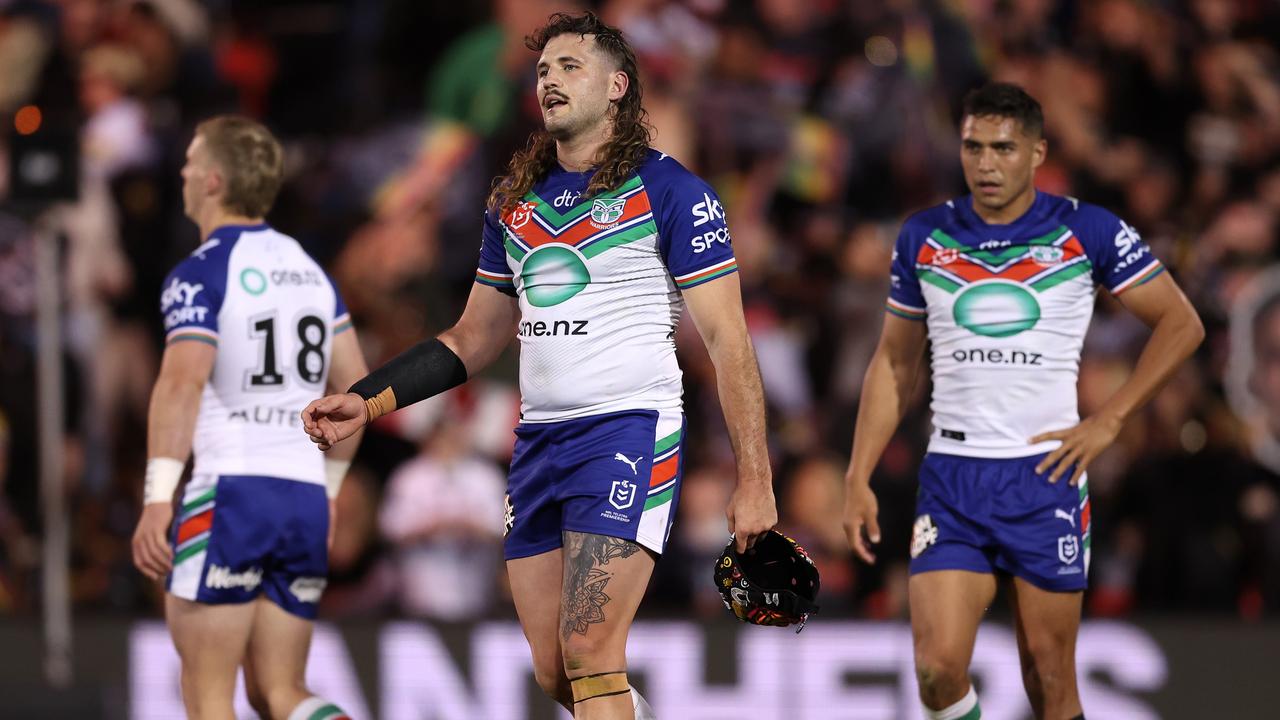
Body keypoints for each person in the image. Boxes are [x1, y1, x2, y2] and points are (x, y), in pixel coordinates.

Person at [302, 12, 777, 720]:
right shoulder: (514, 204)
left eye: (570, 67)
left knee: (590, 655)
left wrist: (755, 478)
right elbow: (470, 340)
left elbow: (731, 343)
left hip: (628, 432)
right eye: (543, 69)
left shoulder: (675, 193)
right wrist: (366, 401)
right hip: (539, 445)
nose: (549, 79)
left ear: (618, 86)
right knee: (558, 672)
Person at [841, 83, 1204, 720]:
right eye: (973, 147)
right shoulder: (924, 236)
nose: (985, 163)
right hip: (953, 475)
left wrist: (1109, 419)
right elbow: (896, 362)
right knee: (935, 672)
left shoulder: (1087, 229)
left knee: (1048, 679)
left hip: (1046, 475)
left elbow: (1182, 324)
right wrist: (858, 472)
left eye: (1003, 148)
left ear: (1037, 152)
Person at [131, 116, 367, 720]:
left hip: (233, 494)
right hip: (304, 499)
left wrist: (159, 497)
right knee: (280, 693)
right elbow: (357, 394)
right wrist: (332, 490)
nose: (180, 171)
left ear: (212, 180)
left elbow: (180, 384)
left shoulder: (201, 272)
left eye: (190, 160)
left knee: (210, 700)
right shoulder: (311, 271)